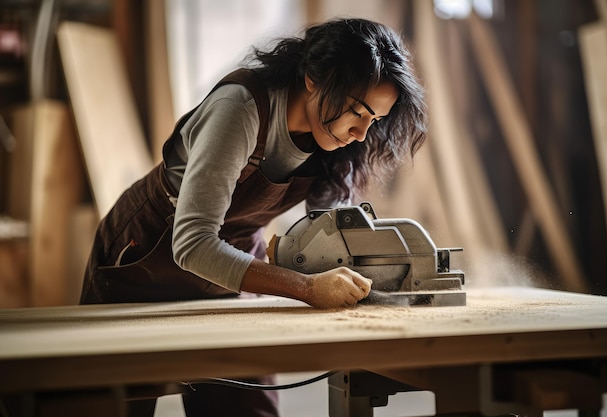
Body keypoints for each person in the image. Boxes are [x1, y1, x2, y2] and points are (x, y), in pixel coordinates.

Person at [80, 17, 427, 417]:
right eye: (356, 111)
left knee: (245, 407)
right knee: (115, 402)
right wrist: (307, 288)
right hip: (144, 260)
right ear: (314, 78)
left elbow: (329, 234)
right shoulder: (241, 109)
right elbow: (192, 244)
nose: (362, 134)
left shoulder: (334, 142)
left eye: (375, 120)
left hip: (232, 271)